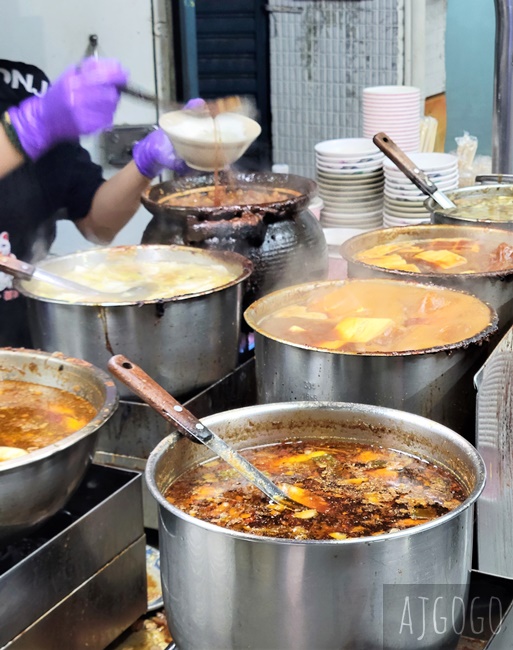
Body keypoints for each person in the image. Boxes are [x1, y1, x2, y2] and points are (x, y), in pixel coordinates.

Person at [0, 56, 199, 346]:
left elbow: (98, 224)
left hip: (29, 346)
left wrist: (146, 162)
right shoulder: (35, 109)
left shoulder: (22, 85)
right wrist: (27, 128)